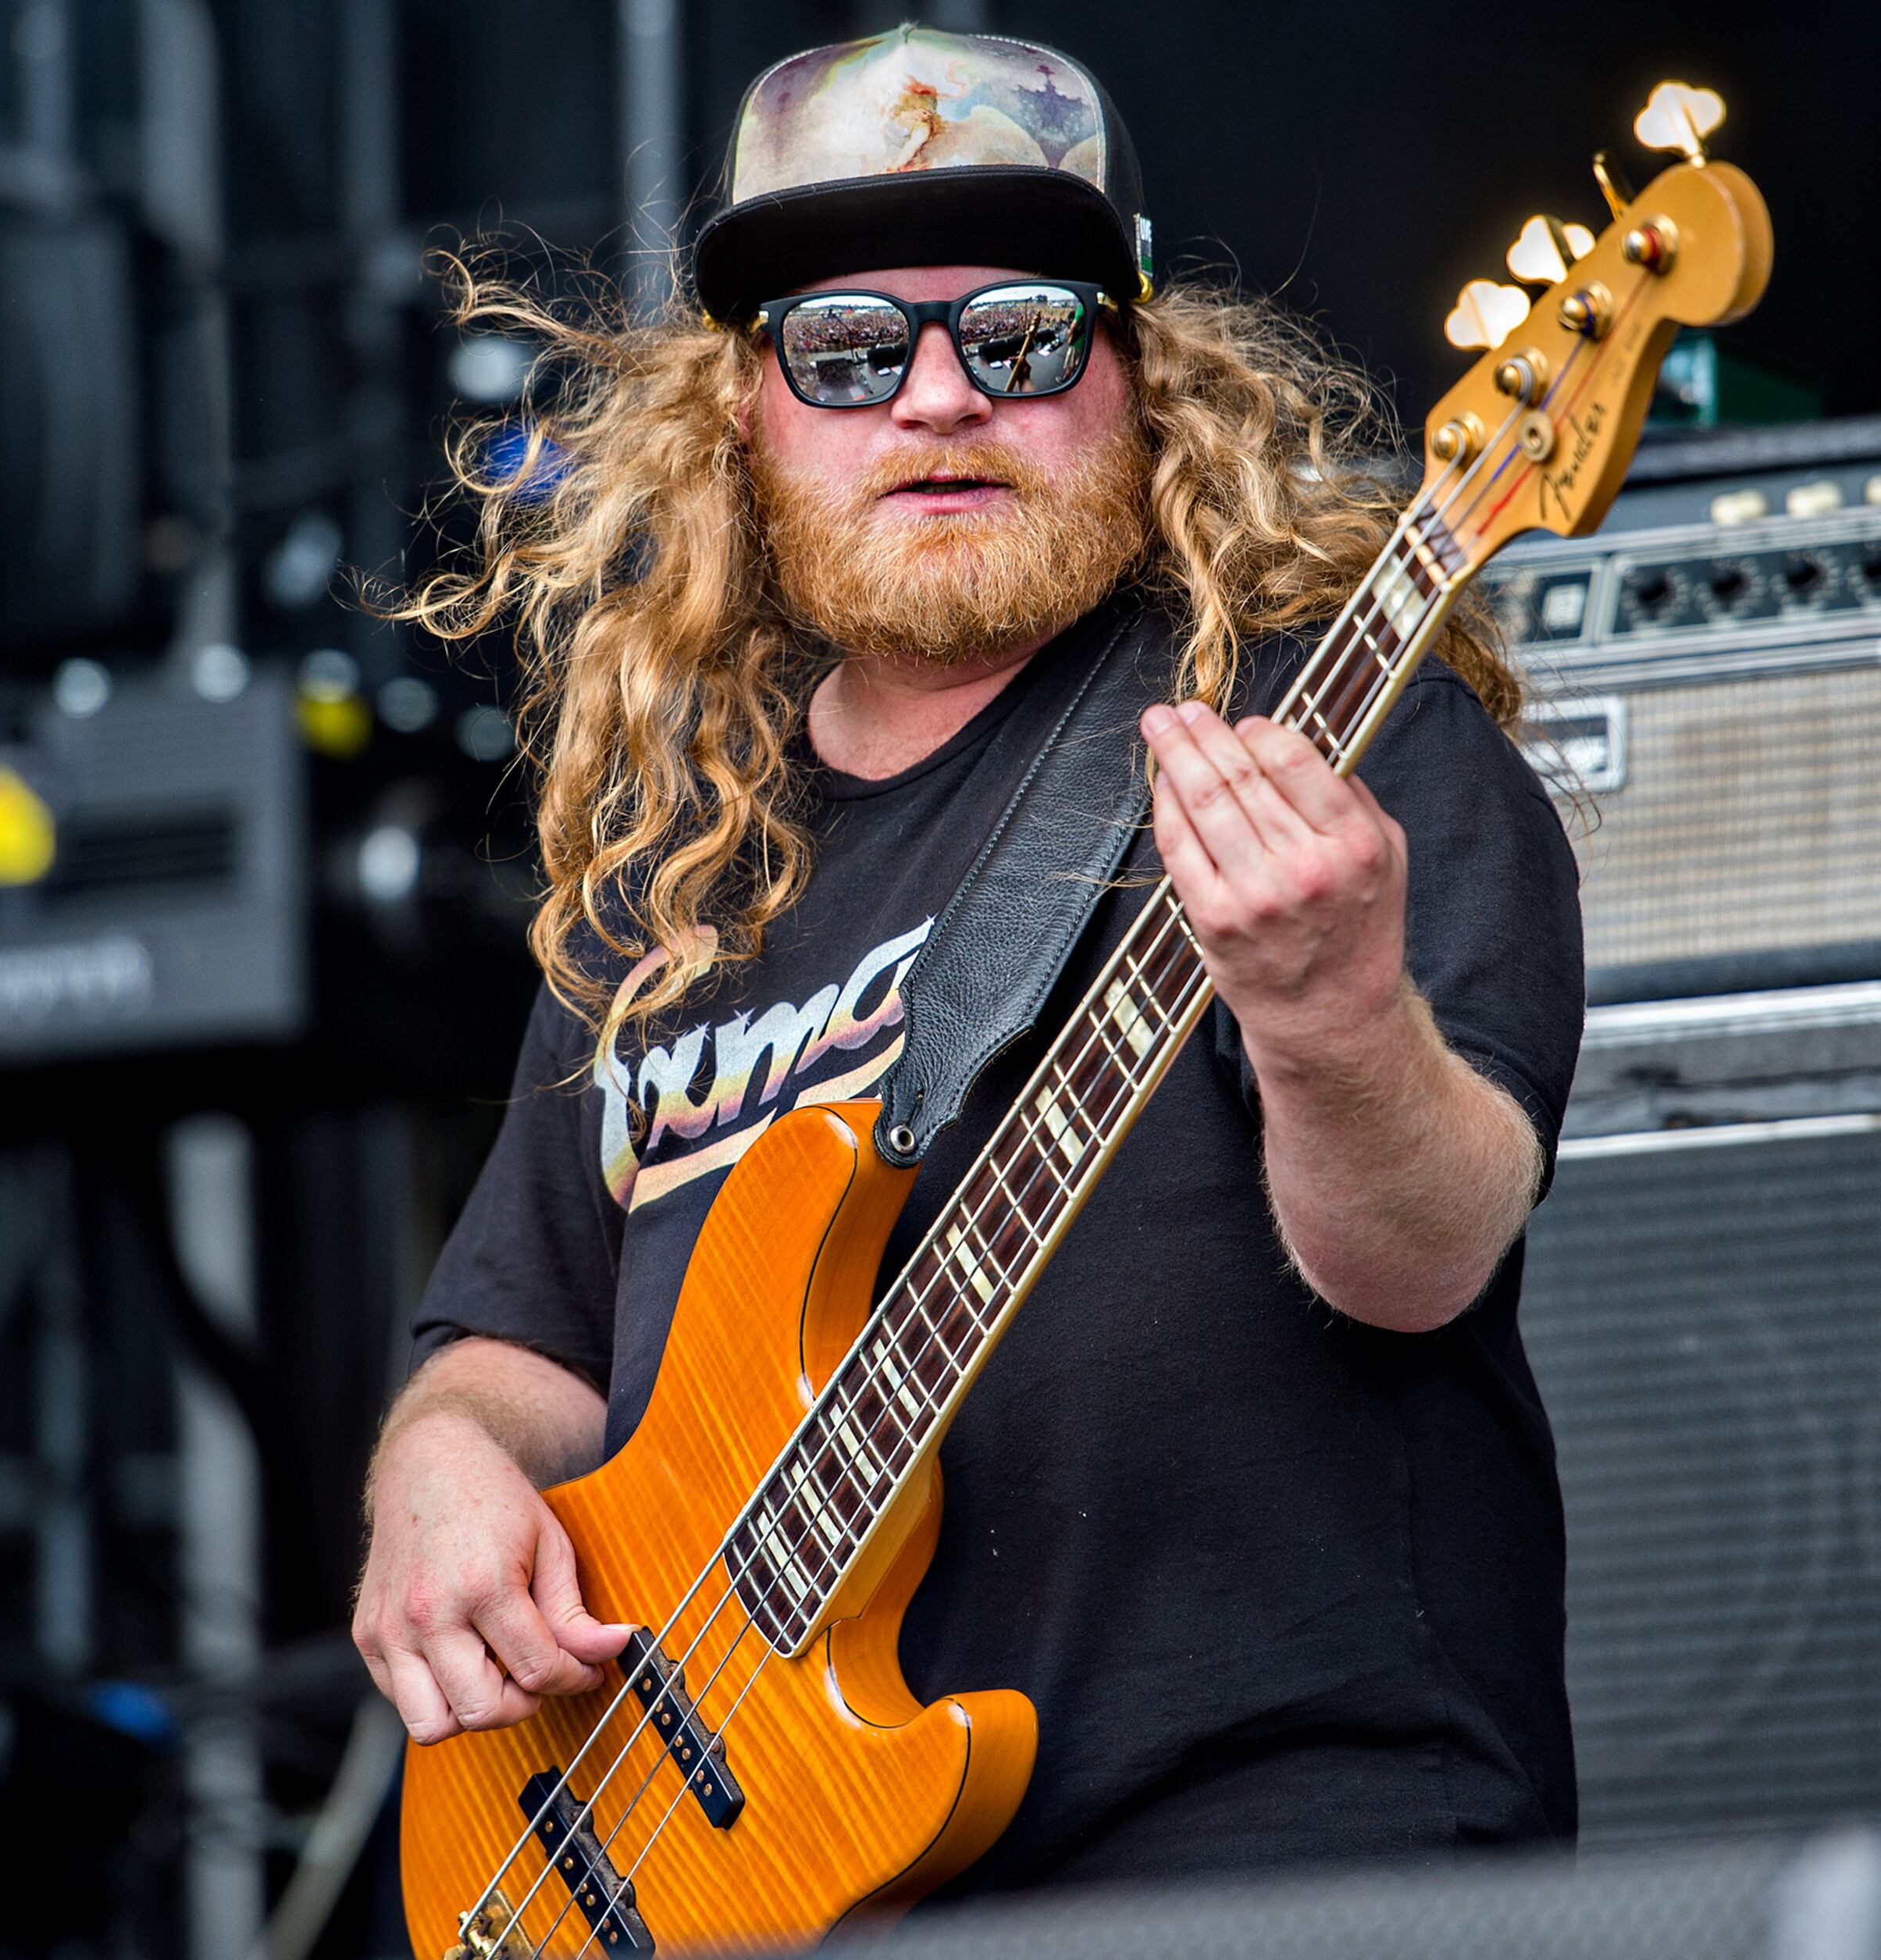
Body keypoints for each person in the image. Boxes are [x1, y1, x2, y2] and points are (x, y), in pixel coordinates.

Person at [351, 24, 1586, 1895]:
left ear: (1139, 374)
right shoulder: (676, 872)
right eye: (848, 349)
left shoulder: (1319, 744)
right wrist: (438, 1468)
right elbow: (517, 1337)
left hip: (1280, 1858)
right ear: (744, 415)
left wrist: (1333, 1018)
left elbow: (1425, 1262)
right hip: (762, 1878)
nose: (937, 398)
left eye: (1020, 333)